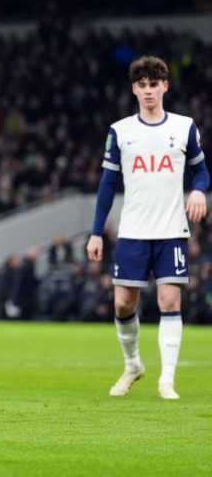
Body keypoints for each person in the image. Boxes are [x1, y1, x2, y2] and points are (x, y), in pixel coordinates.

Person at [87, 55, 208, 400]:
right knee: (123, 304)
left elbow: (201, 170)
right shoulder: (120, 131)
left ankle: (167, 380)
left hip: (171, 229)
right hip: (133, 231)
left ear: (165, 86)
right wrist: (97, 231)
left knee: (170, 299)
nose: (148, 91)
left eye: (154, 84)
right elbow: (108, 185)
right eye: (142, 85)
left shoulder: (184, 127)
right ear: (134, 90)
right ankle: (133, 365)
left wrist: (199, 189)